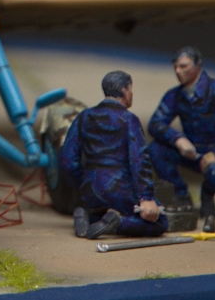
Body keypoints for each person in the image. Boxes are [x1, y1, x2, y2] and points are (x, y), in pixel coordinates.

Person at [146, 46, 215, 233]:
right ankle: (180, 195)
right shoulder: (175, 95)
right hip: (190, 152)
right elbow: (155, 123)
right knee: (156, 150)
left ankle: (207, 196)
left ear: (198, 65)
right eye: (175, 67)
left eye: (184, 66)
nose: (178, 71)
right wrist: (178, 139)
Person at [57, 70, 166, 240]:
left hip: (90, 189)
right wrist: (146, 197)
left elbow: (66, 161)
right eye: (130, 89)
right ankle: (118, 223)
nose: (132, 94)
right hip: (120, 188)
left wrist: (81, 184)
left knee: (99, 209)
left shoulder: (84, 117)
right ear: (124, 90)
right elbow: (139, 160)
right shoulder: (129, 119)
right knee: (160, 222)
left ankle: (89, 217)